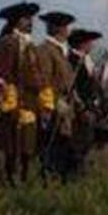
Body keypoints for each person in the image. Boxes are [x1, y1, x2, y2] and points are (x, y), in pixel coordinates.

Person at [0, 1, 40, 185]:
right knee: (12, 141)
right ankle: (11, 176)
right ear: (16, 21)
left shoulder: (29, 44)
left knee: (27, 141)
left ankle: (24, 176)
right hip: (13, 98)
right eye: (26, 19)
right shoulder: (8, 42)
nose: (30, 22)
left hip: (29, 99)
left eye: (30, 19)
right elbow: (2, 74)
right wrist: (9, 99)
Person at [32, 11, 76, 182]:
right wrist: (53, 103)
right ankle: (50, 177)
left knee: (63, 142)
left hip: (63, 103)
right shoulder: (45, 50)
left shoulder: (58, 50)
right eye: (65, 27)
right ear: (58, 29)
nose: (68, 31)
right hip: (53, 105)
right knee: (53, 143)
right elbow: (45, 81)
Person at [65, 28, 103, 178]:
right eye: (89, 42)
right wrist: (81, 107)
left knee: (87, 140)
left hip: (89, 105)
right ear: (82, 44)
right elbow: (73, 86)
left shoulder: (86, 59)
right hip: (80, 107)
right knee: (78, 141)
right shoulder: (72, 60)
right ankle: (74, 173)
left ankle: (80, 169)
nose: (91, 45)